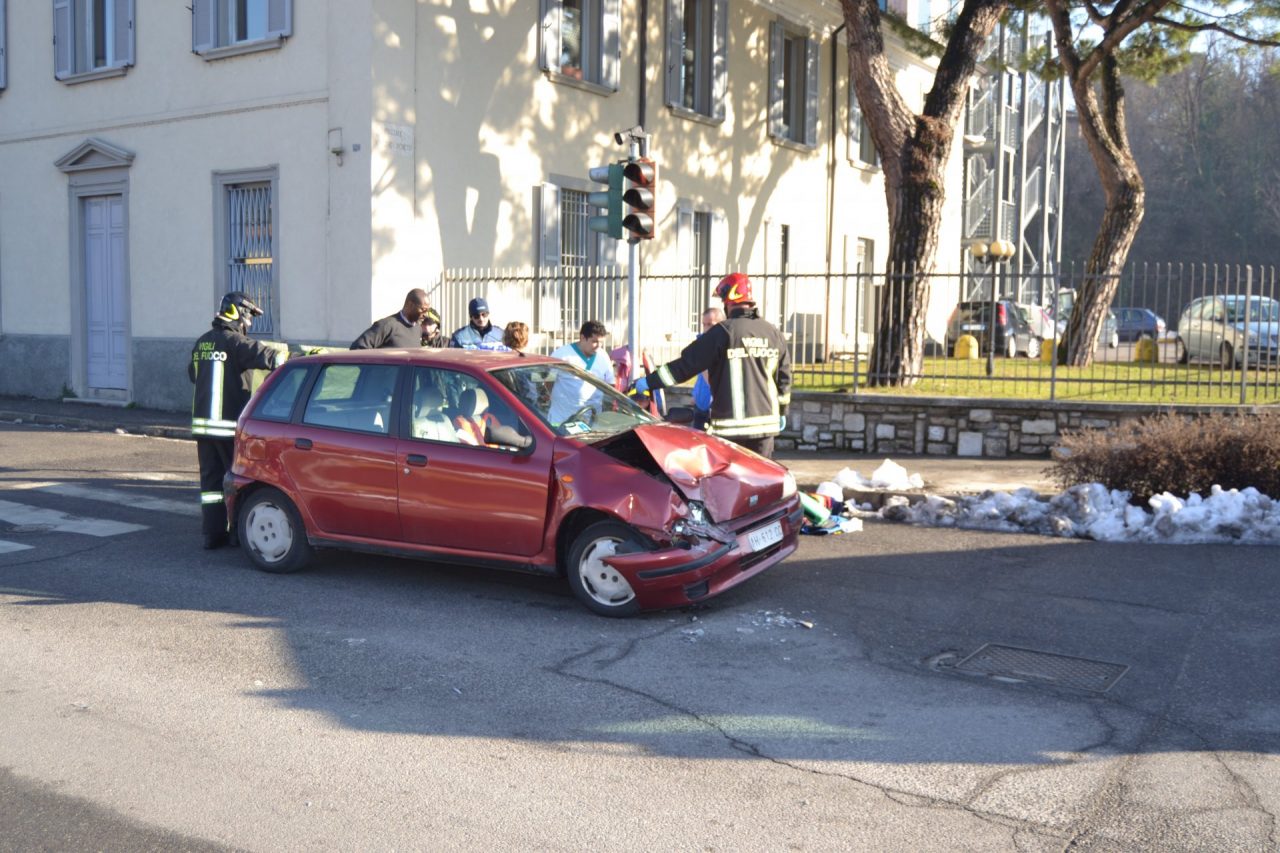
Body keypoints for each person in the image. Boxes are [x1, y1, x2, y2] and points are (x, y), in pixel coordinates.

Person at [633, 273, 791, 458]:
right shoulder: (773, 333)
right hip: (766, 428)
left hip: (732, 430)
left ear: (728, 301)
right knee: (762, 482)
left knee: (733, 483)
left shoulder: (723, 332)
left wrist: (649, 382)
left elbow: (685, 366)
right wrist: (781, 411)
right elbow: (784, 379)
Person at [189, 291, 287, 549]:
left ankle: (212, 535)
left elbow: (192, 375)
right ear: (237, 313)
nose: (250, 323)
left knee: (210, 486)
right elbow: (275, 359)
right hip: (228, 428)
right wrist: (310, 356)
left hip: (202, 429)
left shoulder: (202, 343)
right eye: (249, 316)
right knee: (237, 483)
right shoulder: (235, 343)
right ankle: (236, 536)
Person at [548, 320, 614, 425]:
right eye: (594, 341)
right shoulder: (561, 355)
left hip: (593, 420)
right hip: (562, 419)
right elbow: (549, 381)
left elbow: (610, 385)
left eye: (601, 342)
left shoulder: (603, 356)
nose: (598, 346)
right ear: (583, 337)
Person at [350, 288, 431, 349]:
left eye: (427, 310)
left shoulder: (417, 329)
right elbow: (357, 348)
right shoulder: (386, 325)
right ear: (410, 305)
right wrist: (379, 369)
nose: (425, 314)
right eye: (423, 309)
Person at [691, 305, 725, 431]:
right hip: (703, 401)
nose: (706, 329)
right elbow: (702, 371)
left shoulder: (725, 342)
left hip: (716, 403)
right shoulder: (702, 342)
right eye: (704, 324)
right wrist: (696, 394)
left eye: (710, 324)